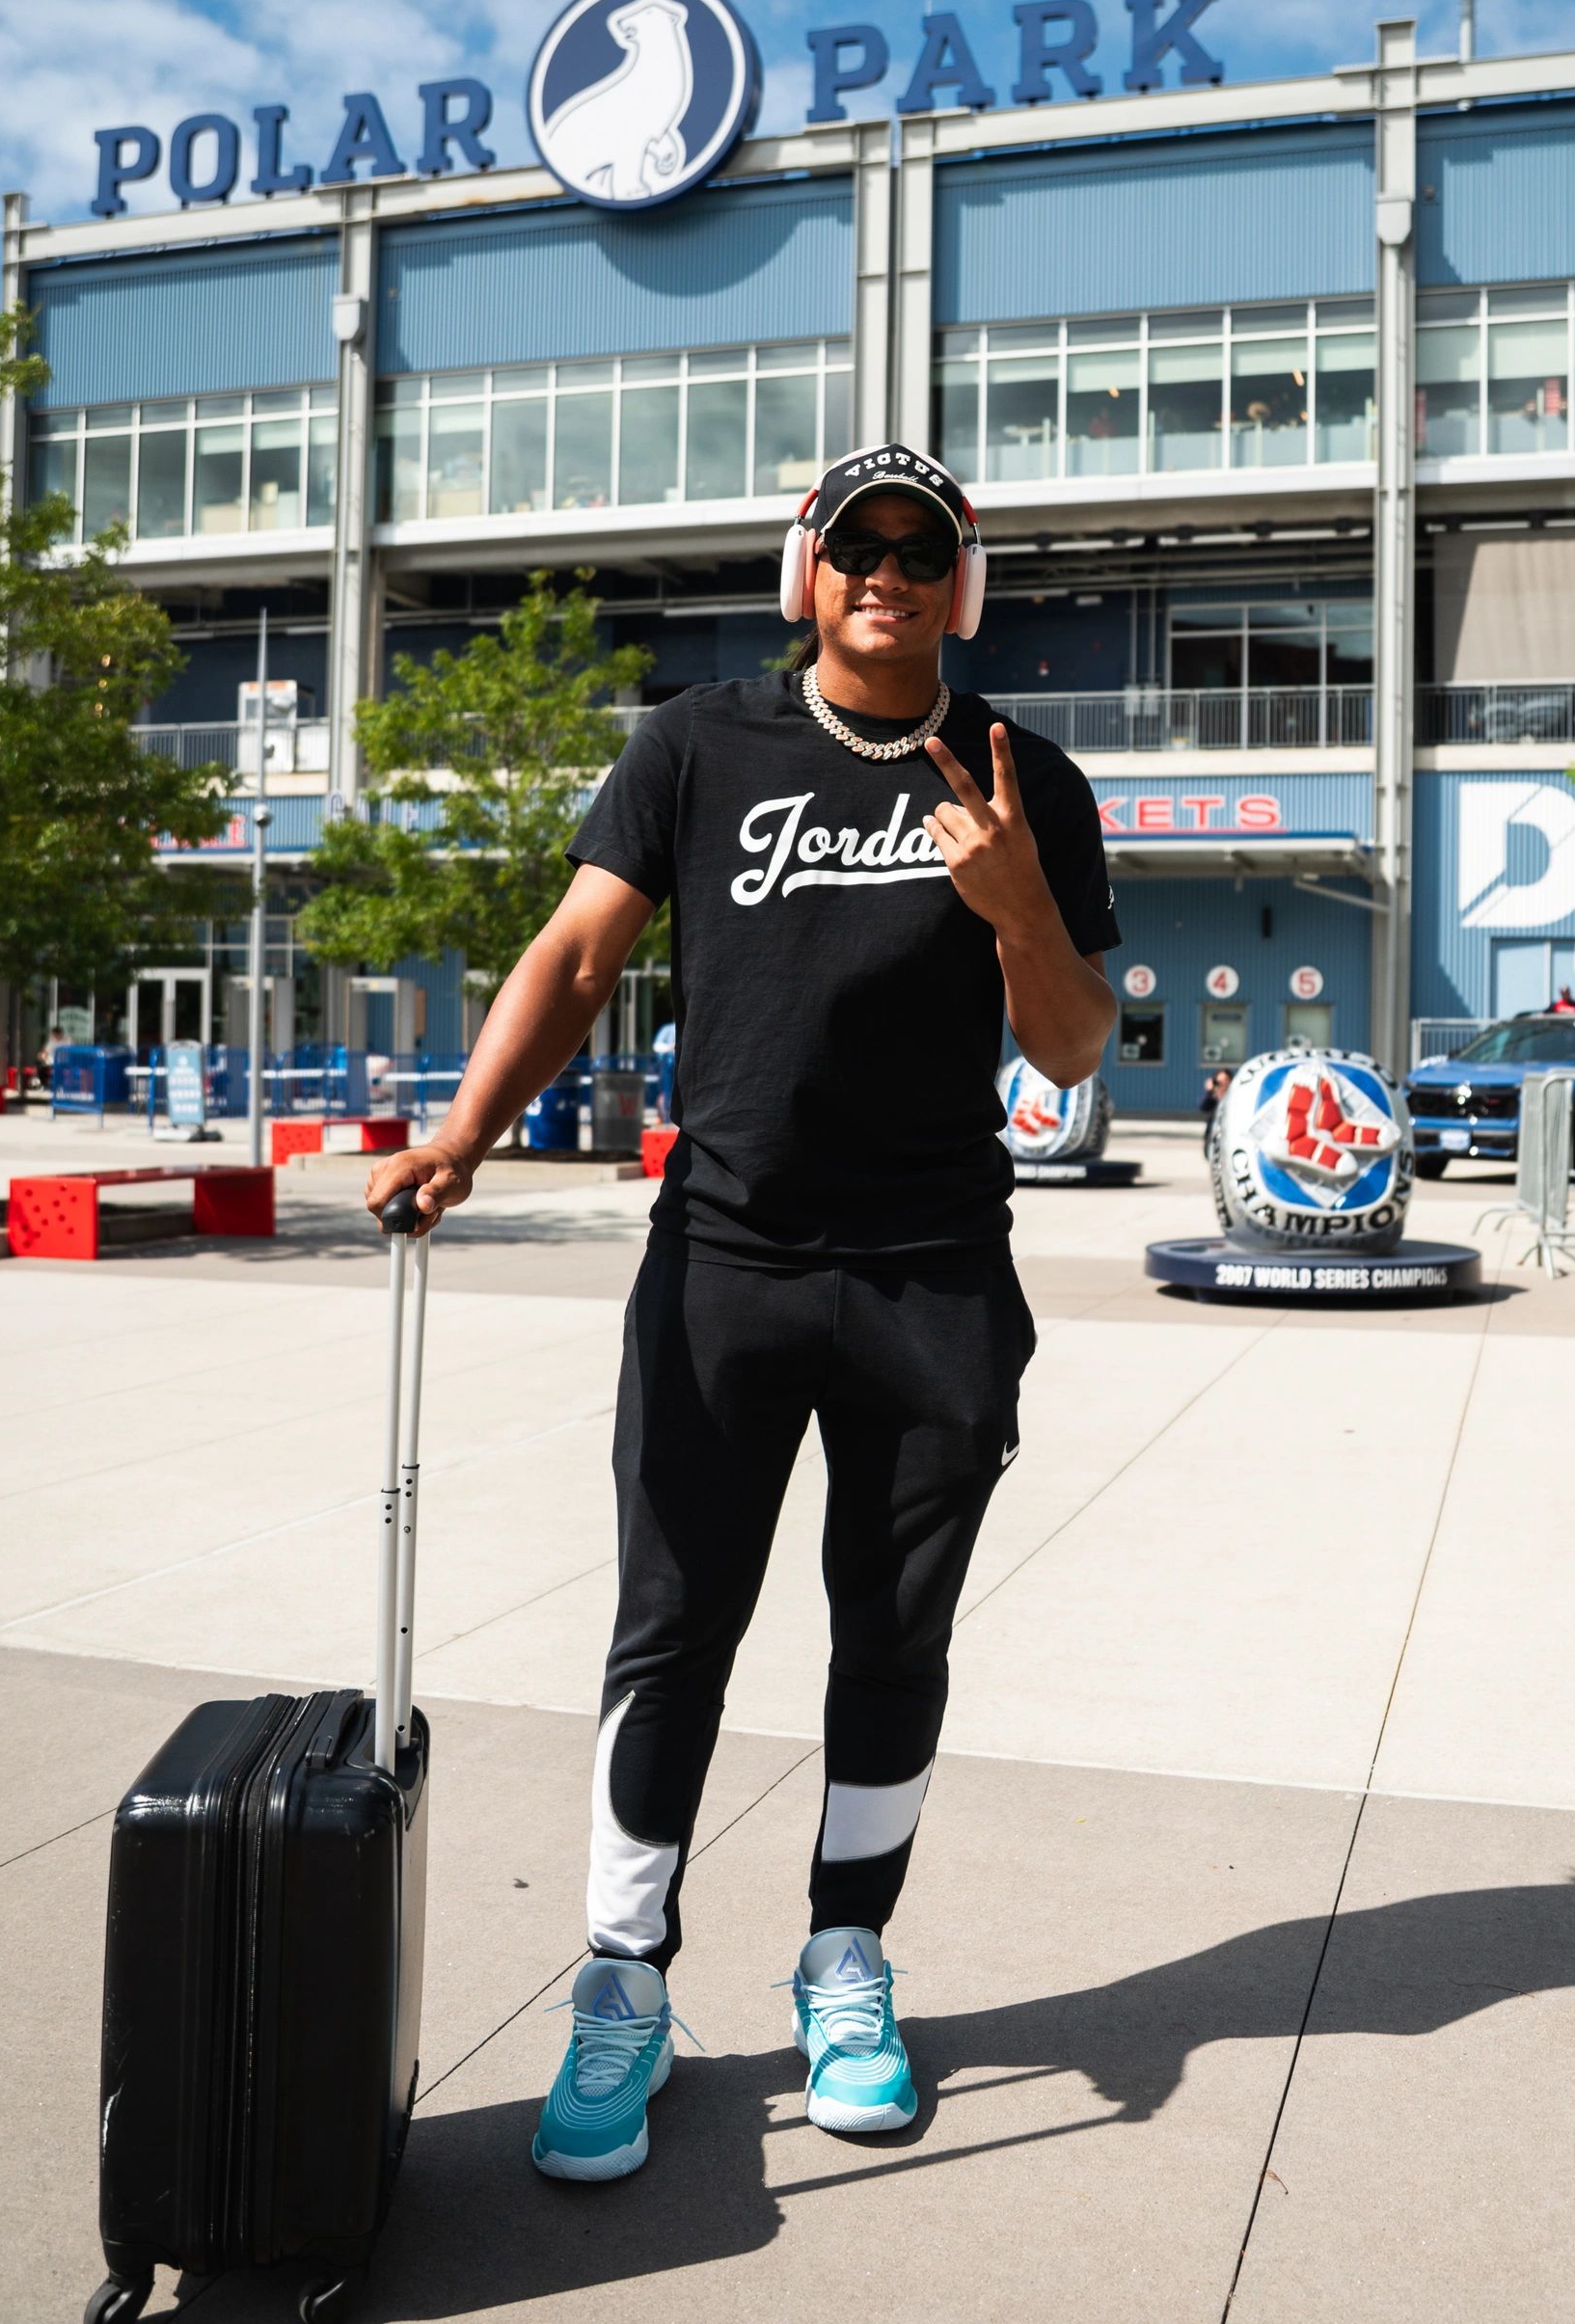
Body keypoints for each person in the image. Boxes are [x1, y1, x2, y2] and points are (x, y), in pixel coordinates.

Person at [365, 446, 1118, 2179]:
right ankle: (623, 1983)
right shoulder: (694, 747)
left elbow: (1072, 1045)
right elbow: (573, 955)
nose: (886, 573)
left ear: (958, 583)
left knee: (893, 1635)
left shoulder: (1026, 777)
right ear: (806, 572)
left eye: (918, 550)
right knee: (672, 1626)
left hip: (931, 1277)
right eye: (853, 546)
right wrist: (466, 1128)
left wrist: (1011, 907)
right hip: (725, 1265)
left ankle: (845, 1961)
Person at [1199, 1065, 1232, 1157]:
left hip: (1227, 1139)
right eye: (1219, 1082)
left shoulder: (1234, 1097)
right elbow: (1202, 1106)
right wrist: (1209, 1091)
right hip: (1212, 1138)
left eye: (1225, 1082)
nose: (1223, 1085)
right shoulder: (1213, 1097)